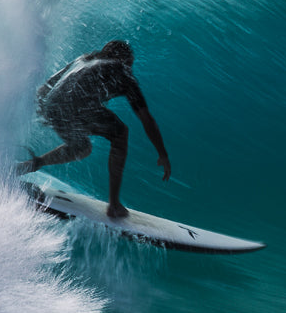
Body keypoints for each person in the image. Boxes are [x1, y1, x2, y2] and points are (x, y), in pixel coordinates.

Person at [16, 40, 171, 219]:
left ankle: (30, 165)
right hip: (75, 105)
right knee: (121, 134)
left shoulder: (83, 60)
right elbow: (147, 119)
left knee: (82, 148)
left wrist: (48, 113)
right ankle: (114, 205)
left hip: (52, 106)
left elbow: (46, 87)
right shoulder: (122, 72)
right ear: (123, 59)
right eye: (130, 63)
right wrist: (163, 154)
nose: (130, 68)